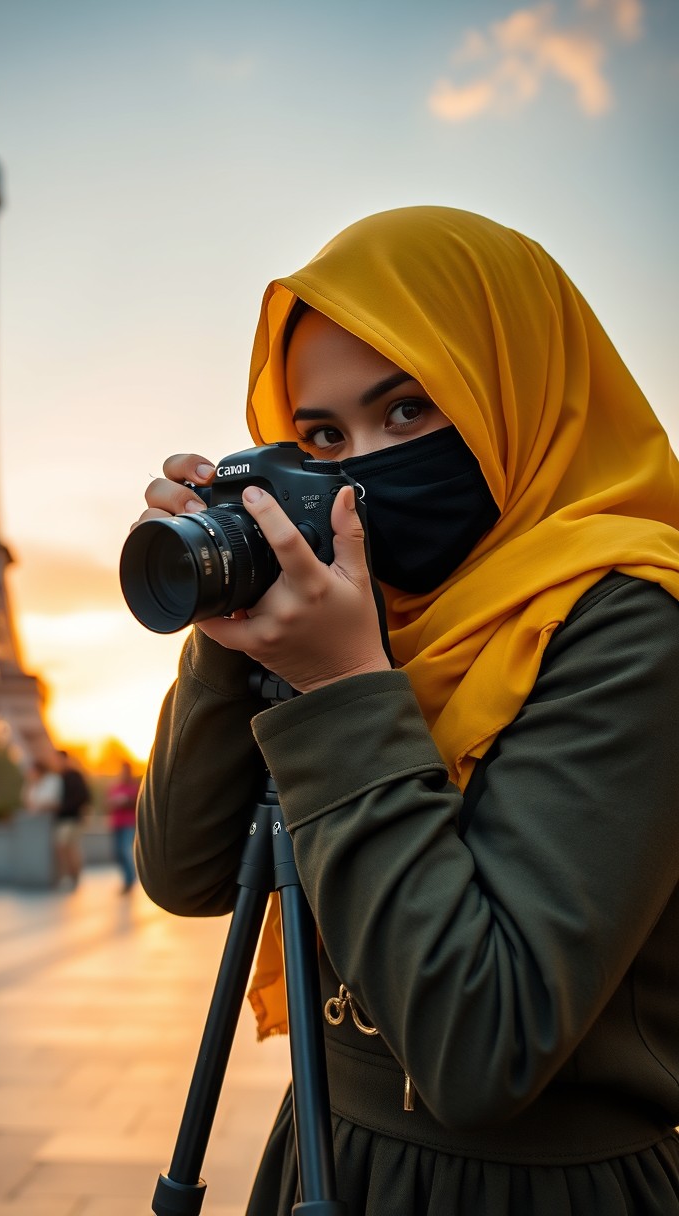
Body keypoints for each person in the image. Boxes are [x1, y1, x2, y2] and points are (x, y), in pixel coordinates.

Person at [132, 206, 679, 1214]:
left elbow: (482, 1047)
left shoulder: (633, 622)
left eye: (409, 412)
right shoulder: (378, 614)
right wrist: (229, 630)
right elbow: (186, 873)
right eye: (321, 437)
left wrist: (342, 688)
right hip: (328, 1161)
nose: (363, 469)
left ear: (517, 397)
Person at [54, 749, 90, 889]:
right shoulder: (60, 777)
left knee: (69, 848)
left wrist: (63, 807)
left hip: (72, 819)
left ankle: (74, 877)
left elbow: (84, 797)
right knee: (64, 848)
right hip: (63, 819)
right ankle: (70, 876)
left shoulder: (74, 776)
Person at [106, 759, 140, 892]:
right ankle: (128, 877)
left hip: (128, 823)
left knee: (125, 851)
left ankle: (129, 879)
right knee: (117, 853)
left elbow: (137, 804)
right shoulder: (114, 787)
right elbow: (107, 804)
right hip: (116, 823)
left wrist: (125, 802)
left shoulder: (134, 787)